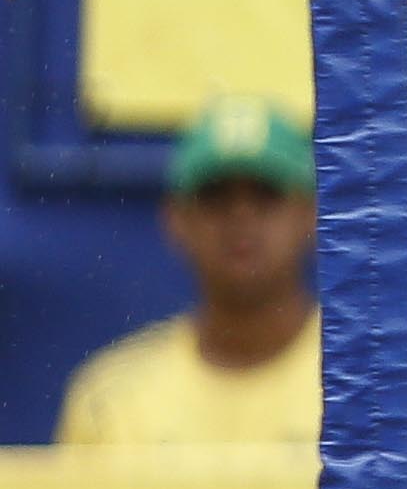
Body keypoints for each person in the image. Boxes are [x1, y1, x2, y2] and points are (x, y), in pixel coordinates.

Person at [55, 96, 324, 453]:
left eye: (266, 194)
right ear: (176, 219)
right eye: (215, 196)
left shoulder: (370, 387)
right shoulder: (110, 401)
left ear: (311, 215)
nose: (241, 218)